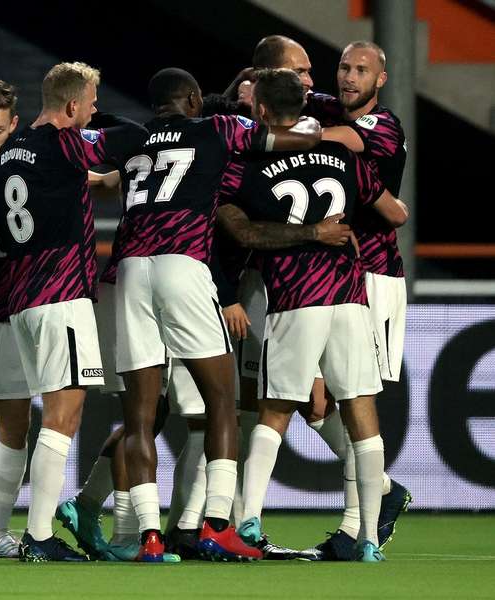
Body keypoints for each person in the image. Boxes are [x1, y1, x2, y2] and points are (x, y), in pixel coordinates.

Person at [111, 67, 321, 562]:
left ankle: (149, 538)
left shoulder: (133, 142)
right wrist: (317, 129)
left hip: (129, 271)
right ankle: (220, 525)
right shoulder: (216, 129)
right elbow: (284, 140)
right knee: (223, 401)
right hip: (183, 264)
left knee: (140, 417)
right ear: (189, 98)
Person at [221, 68, 407, 562]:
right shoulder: (344, 156)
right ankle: (367, 538)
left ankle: (249, 523)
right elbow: (393, 211)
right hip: (349, 296)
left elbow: (236, 227)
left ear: (261, 111)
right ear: (302, 110)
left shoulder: (251, 162)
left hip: (296, 297)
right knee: (361, 411)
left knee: (276, 412)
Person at [0, 61, 148, 561]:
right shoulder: (61, 143)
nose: (96, 110)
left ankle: (32, 534)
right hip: (61, 296)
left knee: (55, 415)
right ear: (74, 105)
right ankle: (37, 538)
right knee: (64, 416)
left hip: (22, 301)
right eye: (91, 102)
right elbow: (133, 136)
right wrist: (96, 119)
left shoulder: (11, 151)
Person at [306, 40, 413, 559]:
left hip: (373, 275)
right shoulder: (323, 104)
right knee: (312, 399)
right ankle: (384, 493)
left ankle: (356, 526)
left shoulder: (384, 126)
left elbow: (339, 139)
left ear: (381, 79)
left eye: (361, 70)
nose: (350, 77)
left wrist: (281, 134)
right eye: (345, 67)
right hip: (328, 274)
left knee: (352, 399)